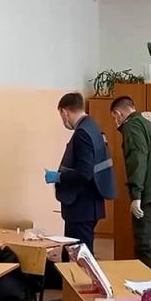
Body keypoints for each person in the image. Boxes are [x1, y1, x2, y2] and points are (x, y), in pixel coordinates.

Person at [110, 96, 151, 275]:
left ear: (118, 113)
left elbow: (137, 159)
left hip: (149, 198)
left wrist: (136, 195)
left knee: (148, 252)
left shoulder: (132, 126)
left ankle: (149, 297)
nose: (116, 122)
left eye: (114, 118)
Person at [45, 92, 116, 254]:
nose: (63, 120)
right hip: (91, 205)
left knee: (78, 256)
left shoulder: (82, 134)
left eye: (61, 115)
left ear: (65, 112)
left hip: (81, 207)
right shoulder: (92, 126)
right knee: (78, 253)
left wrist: (58, 177)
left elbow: (85, 173)